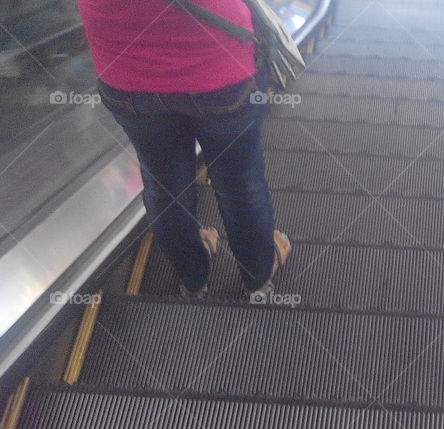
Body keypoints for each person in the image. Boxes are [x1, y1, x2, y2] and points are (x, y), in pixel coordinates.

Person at [78, 0, 291, 296]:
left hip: (126, 72)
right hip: (220, 64)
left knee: (164, 187)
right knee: (241, 182)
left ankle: (193, 281)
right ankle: (257, 277)